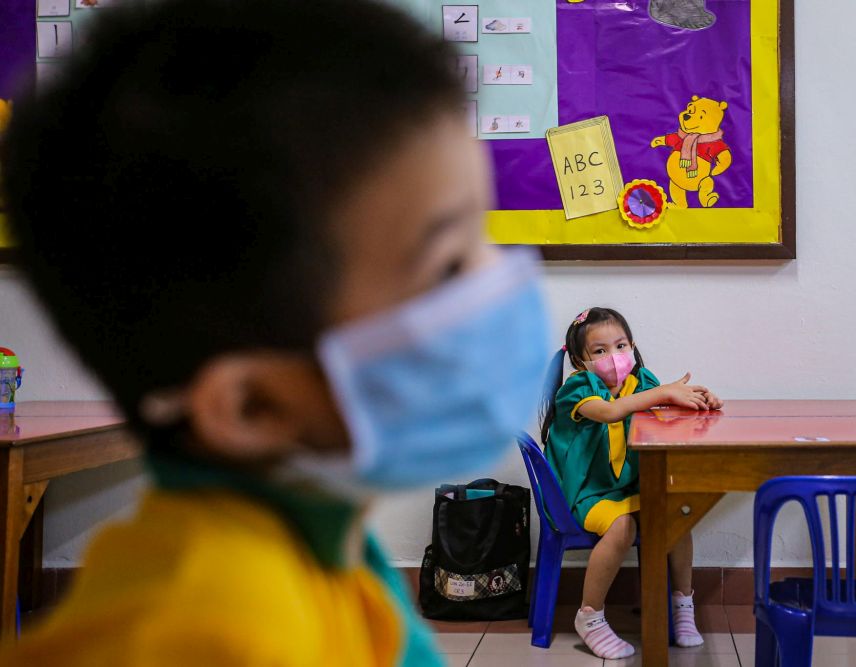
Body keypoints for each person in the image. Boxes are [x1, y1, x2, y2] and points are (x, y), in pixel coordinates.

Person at [0, 0, 549, 664]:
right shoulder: (214, 633)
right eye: (448, 265)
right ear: (250, 404)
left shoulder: (322, 540)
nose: (500, 284)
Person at [540, 307, 723, 659]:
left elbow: (668, 411)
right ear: (580, 360)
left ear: (632, 345)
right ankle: (590, 617)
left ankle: (682, 606)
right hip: (588, 495)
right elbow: (610, 411)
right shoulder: (577, 388)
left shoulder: (643, 383)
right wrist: (664, 393)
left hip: (629, 489)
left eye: (621, 345)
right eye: (600, 351)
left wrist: (700, 402)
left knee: (679, 514)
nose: (614, 357)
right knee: (622, 528)